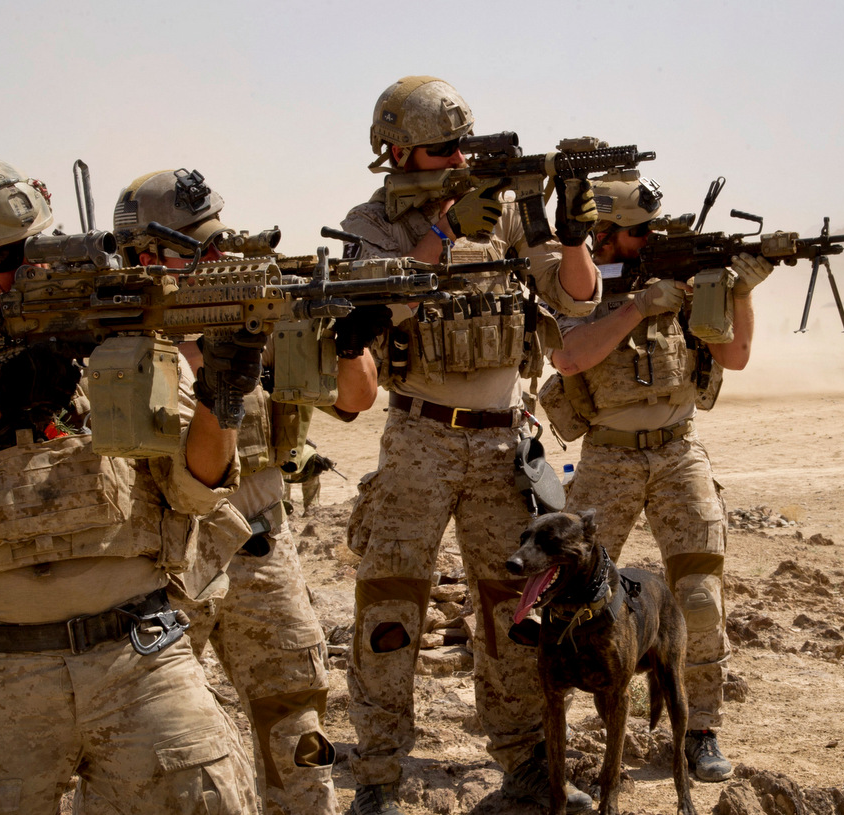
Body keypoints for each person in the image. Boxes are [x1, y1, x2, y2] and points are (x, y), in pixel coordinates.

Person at [0, 157, 261, 814]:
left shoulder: (117, 353)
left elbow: (196, 491)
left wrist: (222, 397)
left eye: (35, 249)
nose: (29, 268)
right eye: (7, 256)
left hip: (143, 657)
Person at [334, 75, 601, 815]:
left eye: (462, 145)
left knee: (512, 609)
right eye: (442, 148)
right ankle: (378, 777)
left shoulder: (512, 210)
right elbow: (369, 309)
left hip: (502, 444)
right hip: (418, 435)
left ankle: (525, 764)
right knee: (390, 611)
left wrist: (573, 235)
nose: (456, 157)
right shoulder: (371, 220)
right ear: (396, 150)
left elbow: (575, 297)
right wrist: (445, 232)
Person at [110, 168, 381, 813]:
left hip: (259, 533)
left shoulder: (258, 307)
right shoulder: (116, 337)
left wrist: (345, 344)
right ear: (144, 257)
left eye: (215, 244)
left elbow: (357, 397)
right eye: (193, 250)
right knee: (151, 732)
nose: (215, 259)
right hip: (162, 554)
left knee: (295, 707)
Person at [544, 173, 769, 783]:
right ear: (603, 235)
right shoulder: (572, 288)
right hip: (607, 456)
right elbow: (569, 358)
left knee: (698, 596)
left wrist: (736, 292)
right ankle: (555, 734)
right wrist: (640, 305)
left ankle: (699, 730)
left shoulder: (684, 282)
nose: (649, 240)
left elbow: (736, 356)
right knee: (570, 598)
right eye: (638, 232)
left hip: (678, 452)